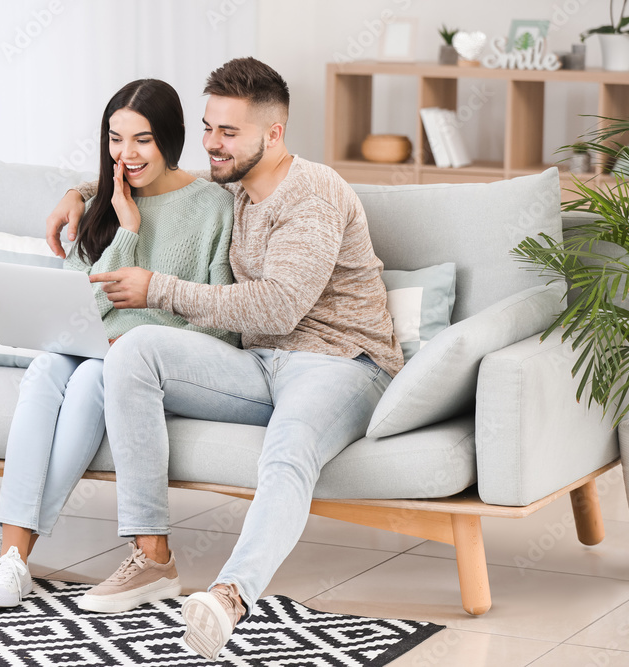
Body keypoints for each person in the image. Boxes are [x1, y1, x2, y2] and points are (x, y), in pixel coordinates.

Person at [45, 57, 403, 660]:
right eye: (209, 126)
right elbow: (159, 177)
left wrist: (158, 289)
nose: (212, 143)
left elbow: (280, 307)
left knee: (288, 449)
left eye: (229, 132)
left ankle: (229, 596)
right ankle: (151, 558)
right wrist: (80, 193)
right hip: (258, 365)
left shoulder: (313, 193)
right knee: (134, 350)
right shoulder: (231, 186)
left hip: (343, 362)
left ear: (274, 133)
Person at [0, 78, 239, 609]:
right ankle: (12, 557)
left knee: (89, 379)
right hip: (89, 344)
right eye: (115, 139)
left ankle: (10, 550)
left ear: (171, 138)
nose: (126, 154)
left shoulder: (214, 209)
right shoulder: (103, 203)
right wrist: (125, 229)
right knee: (45, 369)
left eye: (143, 140)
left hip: (150, 362)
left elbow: (220, 322)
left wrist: (134, 340)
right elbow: (77, 306)